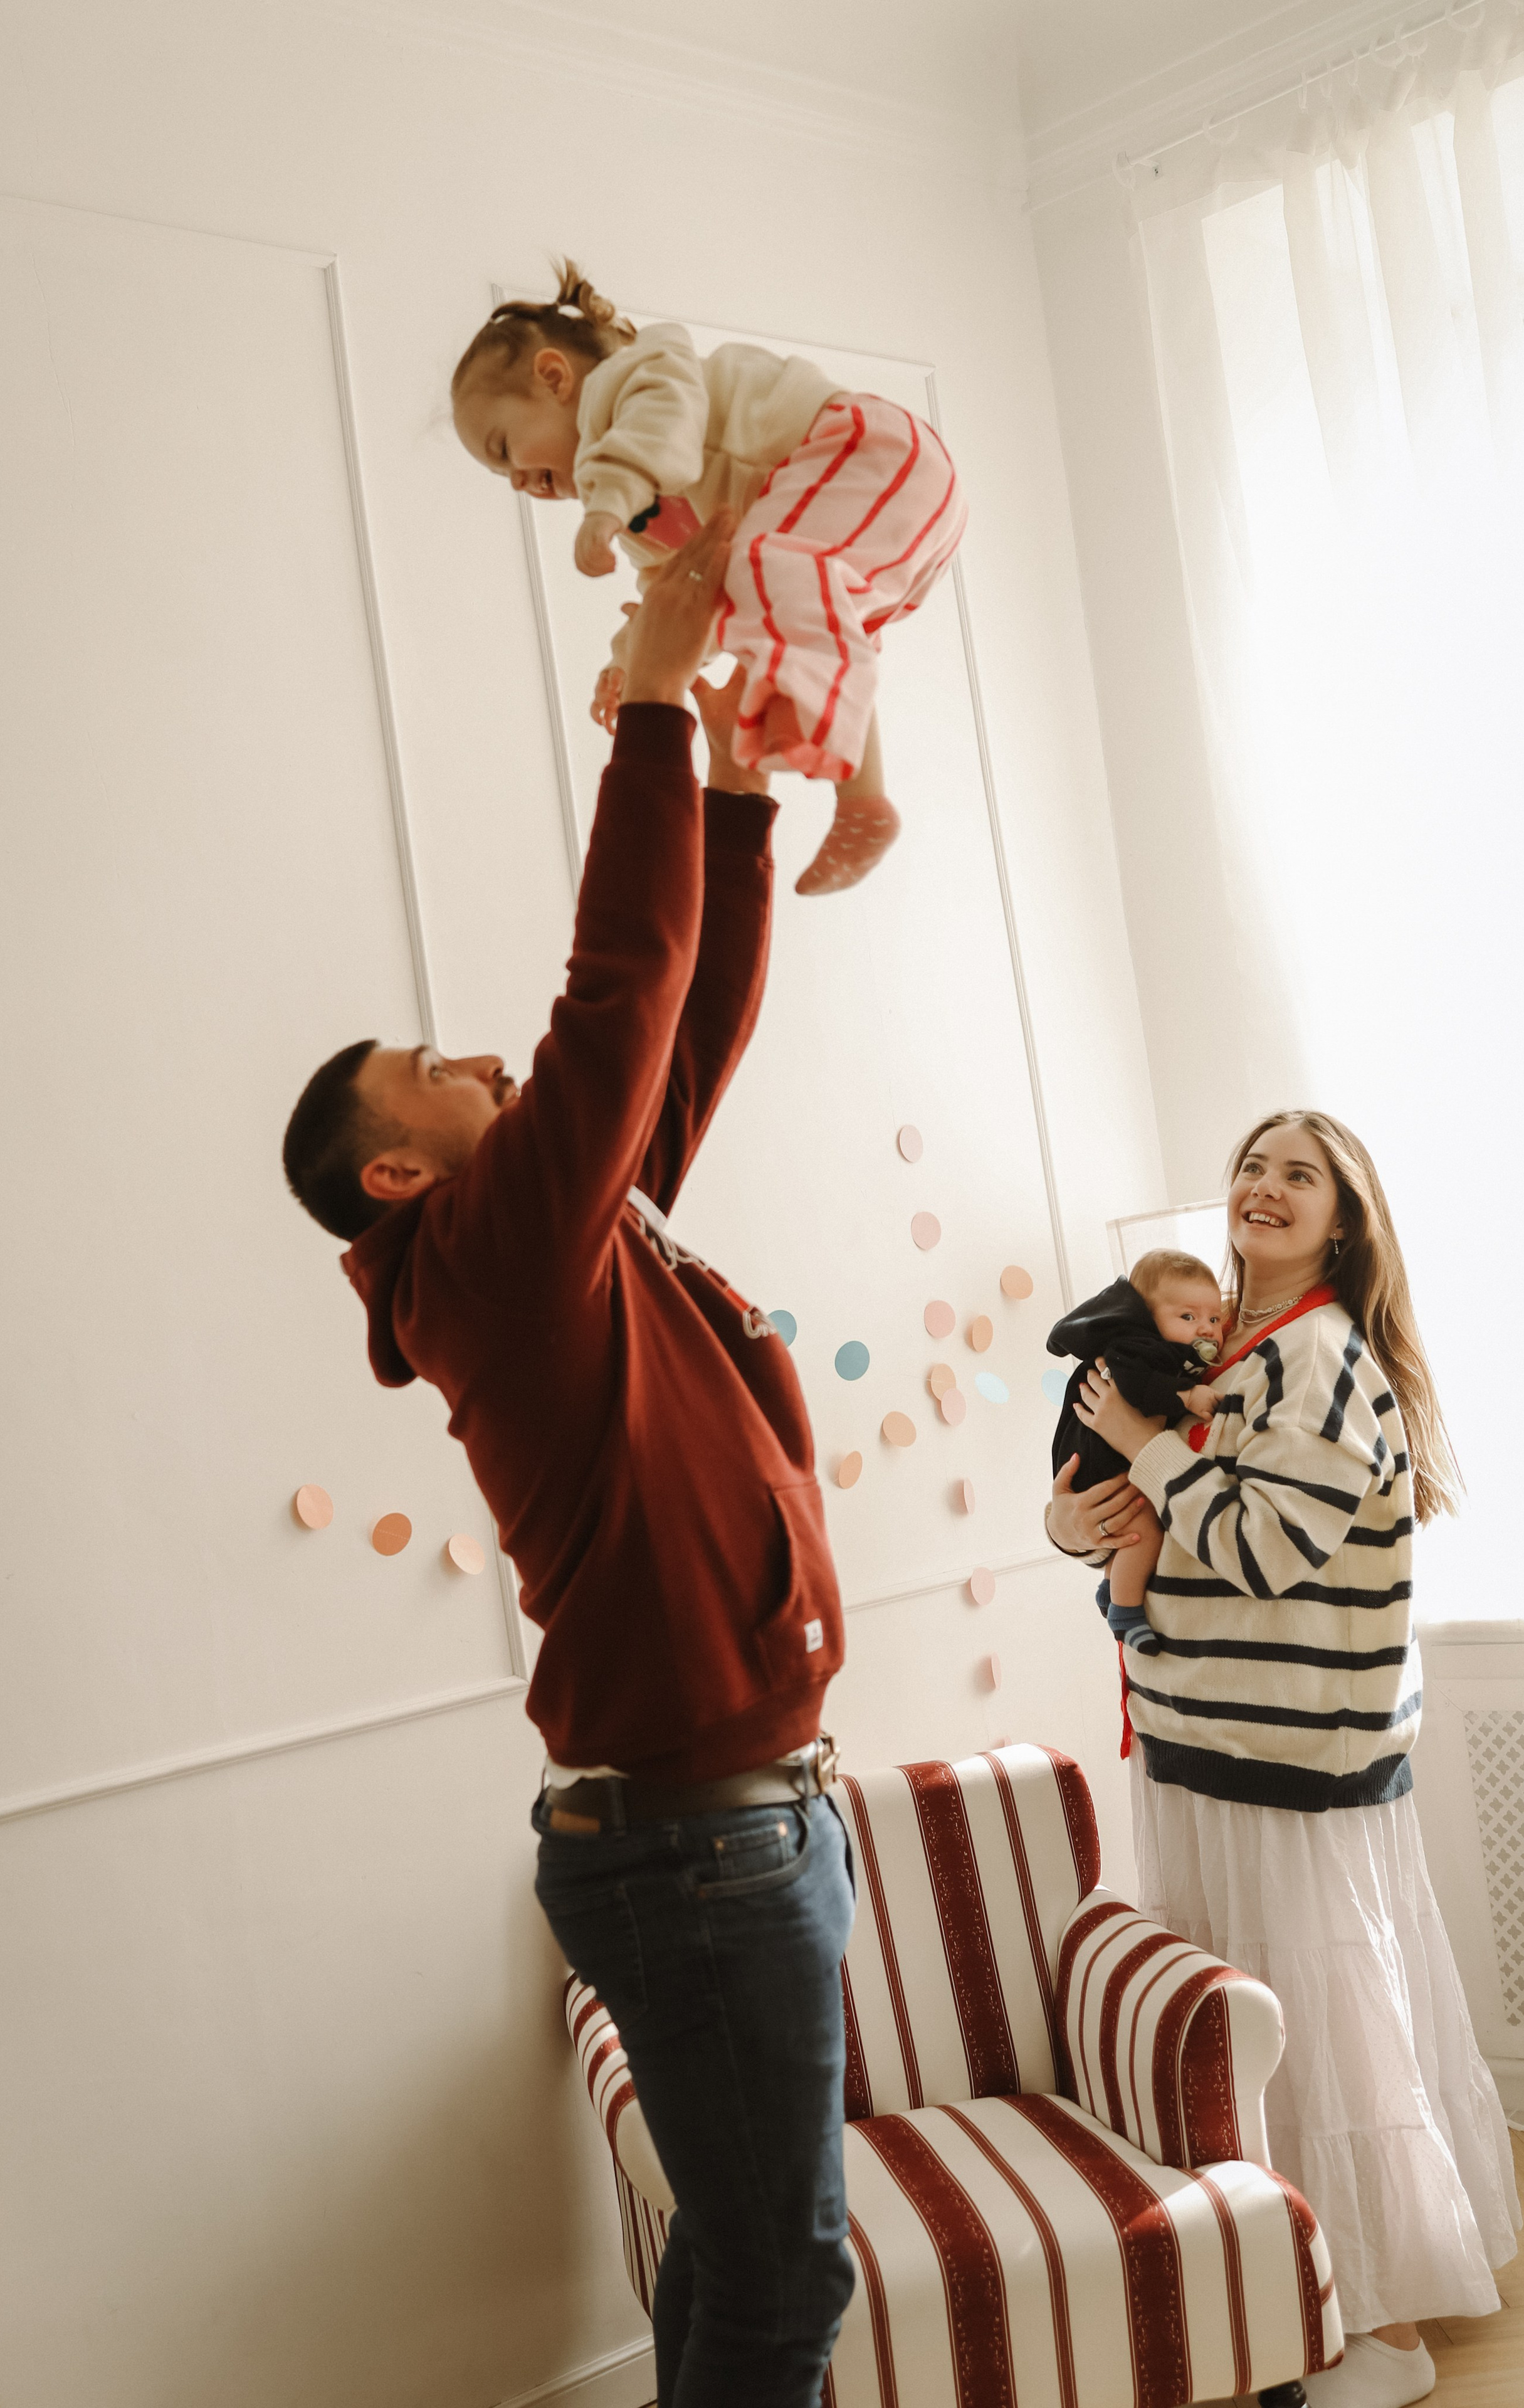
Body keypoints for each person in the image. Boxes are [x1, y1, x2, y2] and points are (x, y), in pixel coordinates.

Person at [281, 515, 856, 2408]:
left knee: (740, 2251)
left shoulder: (568, 1236)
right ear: (399, 1168)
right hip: (699, 1846)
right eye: (444, 1064)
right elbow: (615, 997)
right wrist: (645, 707)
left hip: (736, 1823)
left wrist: (747, 804)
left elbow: (674, 1036)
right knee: (785, 2281)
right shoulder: (492, 1252)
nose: (484, 1066)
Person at [1046, 1111, 1519, 2408]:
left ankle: (1377, 2328)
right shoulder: (1224, 1350)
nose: (1261, 1187)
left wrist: (1145, 1446)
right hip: (1207, 1737)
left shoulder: (1316, 1355)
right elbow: (1158, 1521)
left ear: (1341, 1219)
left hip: (1277, 1762)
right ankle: (1302, 2301)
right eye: (1250, 1168)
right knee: (1258, 2032)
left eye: (1295, 1176)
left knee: (1313, 2038)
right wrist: (1078, 1510)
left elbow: (1258, 1548)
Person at [450, 261, 966, 897]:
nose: (519, 484)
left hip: (872, 452)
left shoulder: (641, 375)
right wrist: (631, 666)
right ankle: (864, 804)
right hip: (883, 526)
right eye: (502, 478)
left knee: (768, 567)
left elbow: (661, 432)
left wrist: (607, 501)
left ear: (554, 377)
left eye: (505, 450)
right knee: (777, 609)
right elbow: (679, 598)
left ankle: (833, 759)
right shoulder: (648, 521)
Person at [1045, 1247, 1223, 1654]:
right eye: (1189, 1317)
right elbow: (1137, 1387)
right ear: (1148, 1314)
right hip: (1098, 1463)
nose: (1208, 1329)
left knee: (1136, 1524)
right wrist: (1186, 1395)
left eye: (1214, 1319)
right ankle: (1125, 1609)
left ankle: (1112, 1589)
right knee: (1142, 1527)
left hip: (1102, 1460)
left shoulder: (1153, 1347)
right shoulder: (1138, 1347)